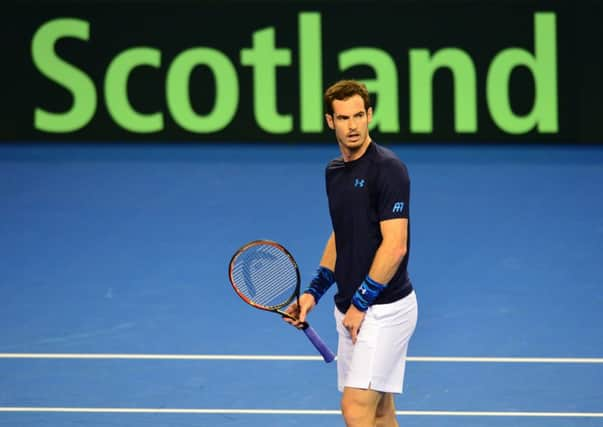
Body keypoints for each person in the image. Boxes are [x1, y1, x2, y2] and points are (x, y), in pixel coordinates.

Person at [285, 79, 418, 427]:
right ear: (331, 121)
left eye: (359, 115)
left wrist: (361, 303)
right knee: (380, 413)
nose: (353, 125)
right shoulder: (334, 172)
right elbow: (341, 235)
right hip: (350, 310)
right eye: (344, 118)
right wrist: (313, 293)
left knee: (355, 408)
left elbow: (395, 245)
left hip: (384, 310)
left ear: (370, 115)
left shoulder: (388, 170)